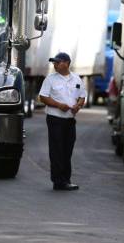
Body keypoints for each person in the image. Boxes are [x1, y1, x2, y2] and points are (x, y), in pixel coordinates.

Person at [38, 52, 86, 191]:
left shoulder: (76, 79)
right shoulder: (50, 79)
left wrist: (78, 106)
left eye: (57, 62)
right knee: (56, 150)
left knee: (67, 150)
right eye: (54, 63)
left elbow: (82, 96)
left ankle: (66, 179)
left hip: (70, 120)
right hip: (55, 119)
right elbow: (43, 97)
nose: (55, 65)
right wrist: (59, 105)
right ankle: (58, 181)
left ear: (67, 63)